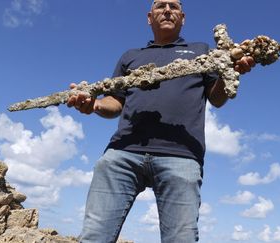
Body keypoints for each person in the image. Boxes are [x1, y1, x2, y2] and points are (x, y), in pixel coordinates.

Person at [67, 0, 255, 242]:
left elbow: (216, 99)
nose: (167, 10)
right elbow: (114, 103)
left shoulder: (203, 51)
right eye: (161, 5)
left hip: (181, 156)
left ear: (183, 17)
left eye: (173, 6)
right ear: (149, 17)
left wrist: (232, 73)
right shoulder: (131, 56)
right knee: (94, 236)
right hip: (122, 154)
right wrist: (94, 105)